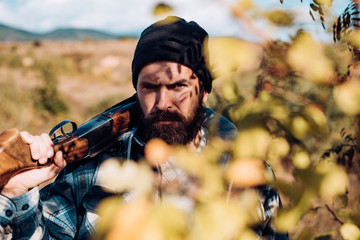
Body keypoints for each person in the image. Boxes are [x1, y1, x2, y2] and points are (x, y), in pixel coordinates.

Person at [0, 16, 288, 239]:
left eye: (178, 87)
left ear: (204, 92)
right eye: (149, 87)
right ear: (136, 90)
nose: (163, 102)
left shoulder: (247, 171)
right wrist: (18, 194)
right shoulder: (92, 167)